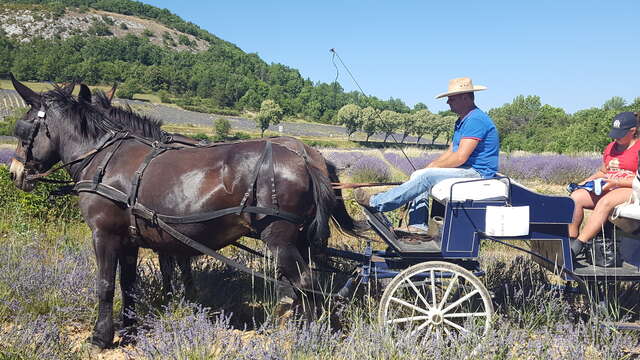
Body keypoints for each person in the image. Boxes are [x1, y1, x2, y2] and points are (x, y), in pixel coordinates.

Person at [354, 77, 500, 233]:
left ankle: (377, 203)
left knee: (426, 176)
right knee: (422, 174)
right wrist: (431, 166)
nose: (448, 102)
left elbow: (460, 157)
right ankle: (418, 225)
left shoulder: (476, 120)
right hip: (467, 169)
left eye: (451, 98)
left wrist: (431, 170)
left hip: (478, 173)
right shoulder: (462, 121)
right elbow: (451, 151)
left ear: (465, 97)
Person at [569, 111, 640, 256]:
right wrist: (584, 182)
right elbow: (603, 171)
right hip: (609, 185)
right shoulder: (611, 147)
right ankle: (570, 240)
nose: (616, 137)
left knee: (605, 202)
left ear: (633, 131)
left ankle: (579, 245)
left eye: (620, 134)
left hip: (631, 188)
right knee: (575, 197)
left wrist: (617, 181)